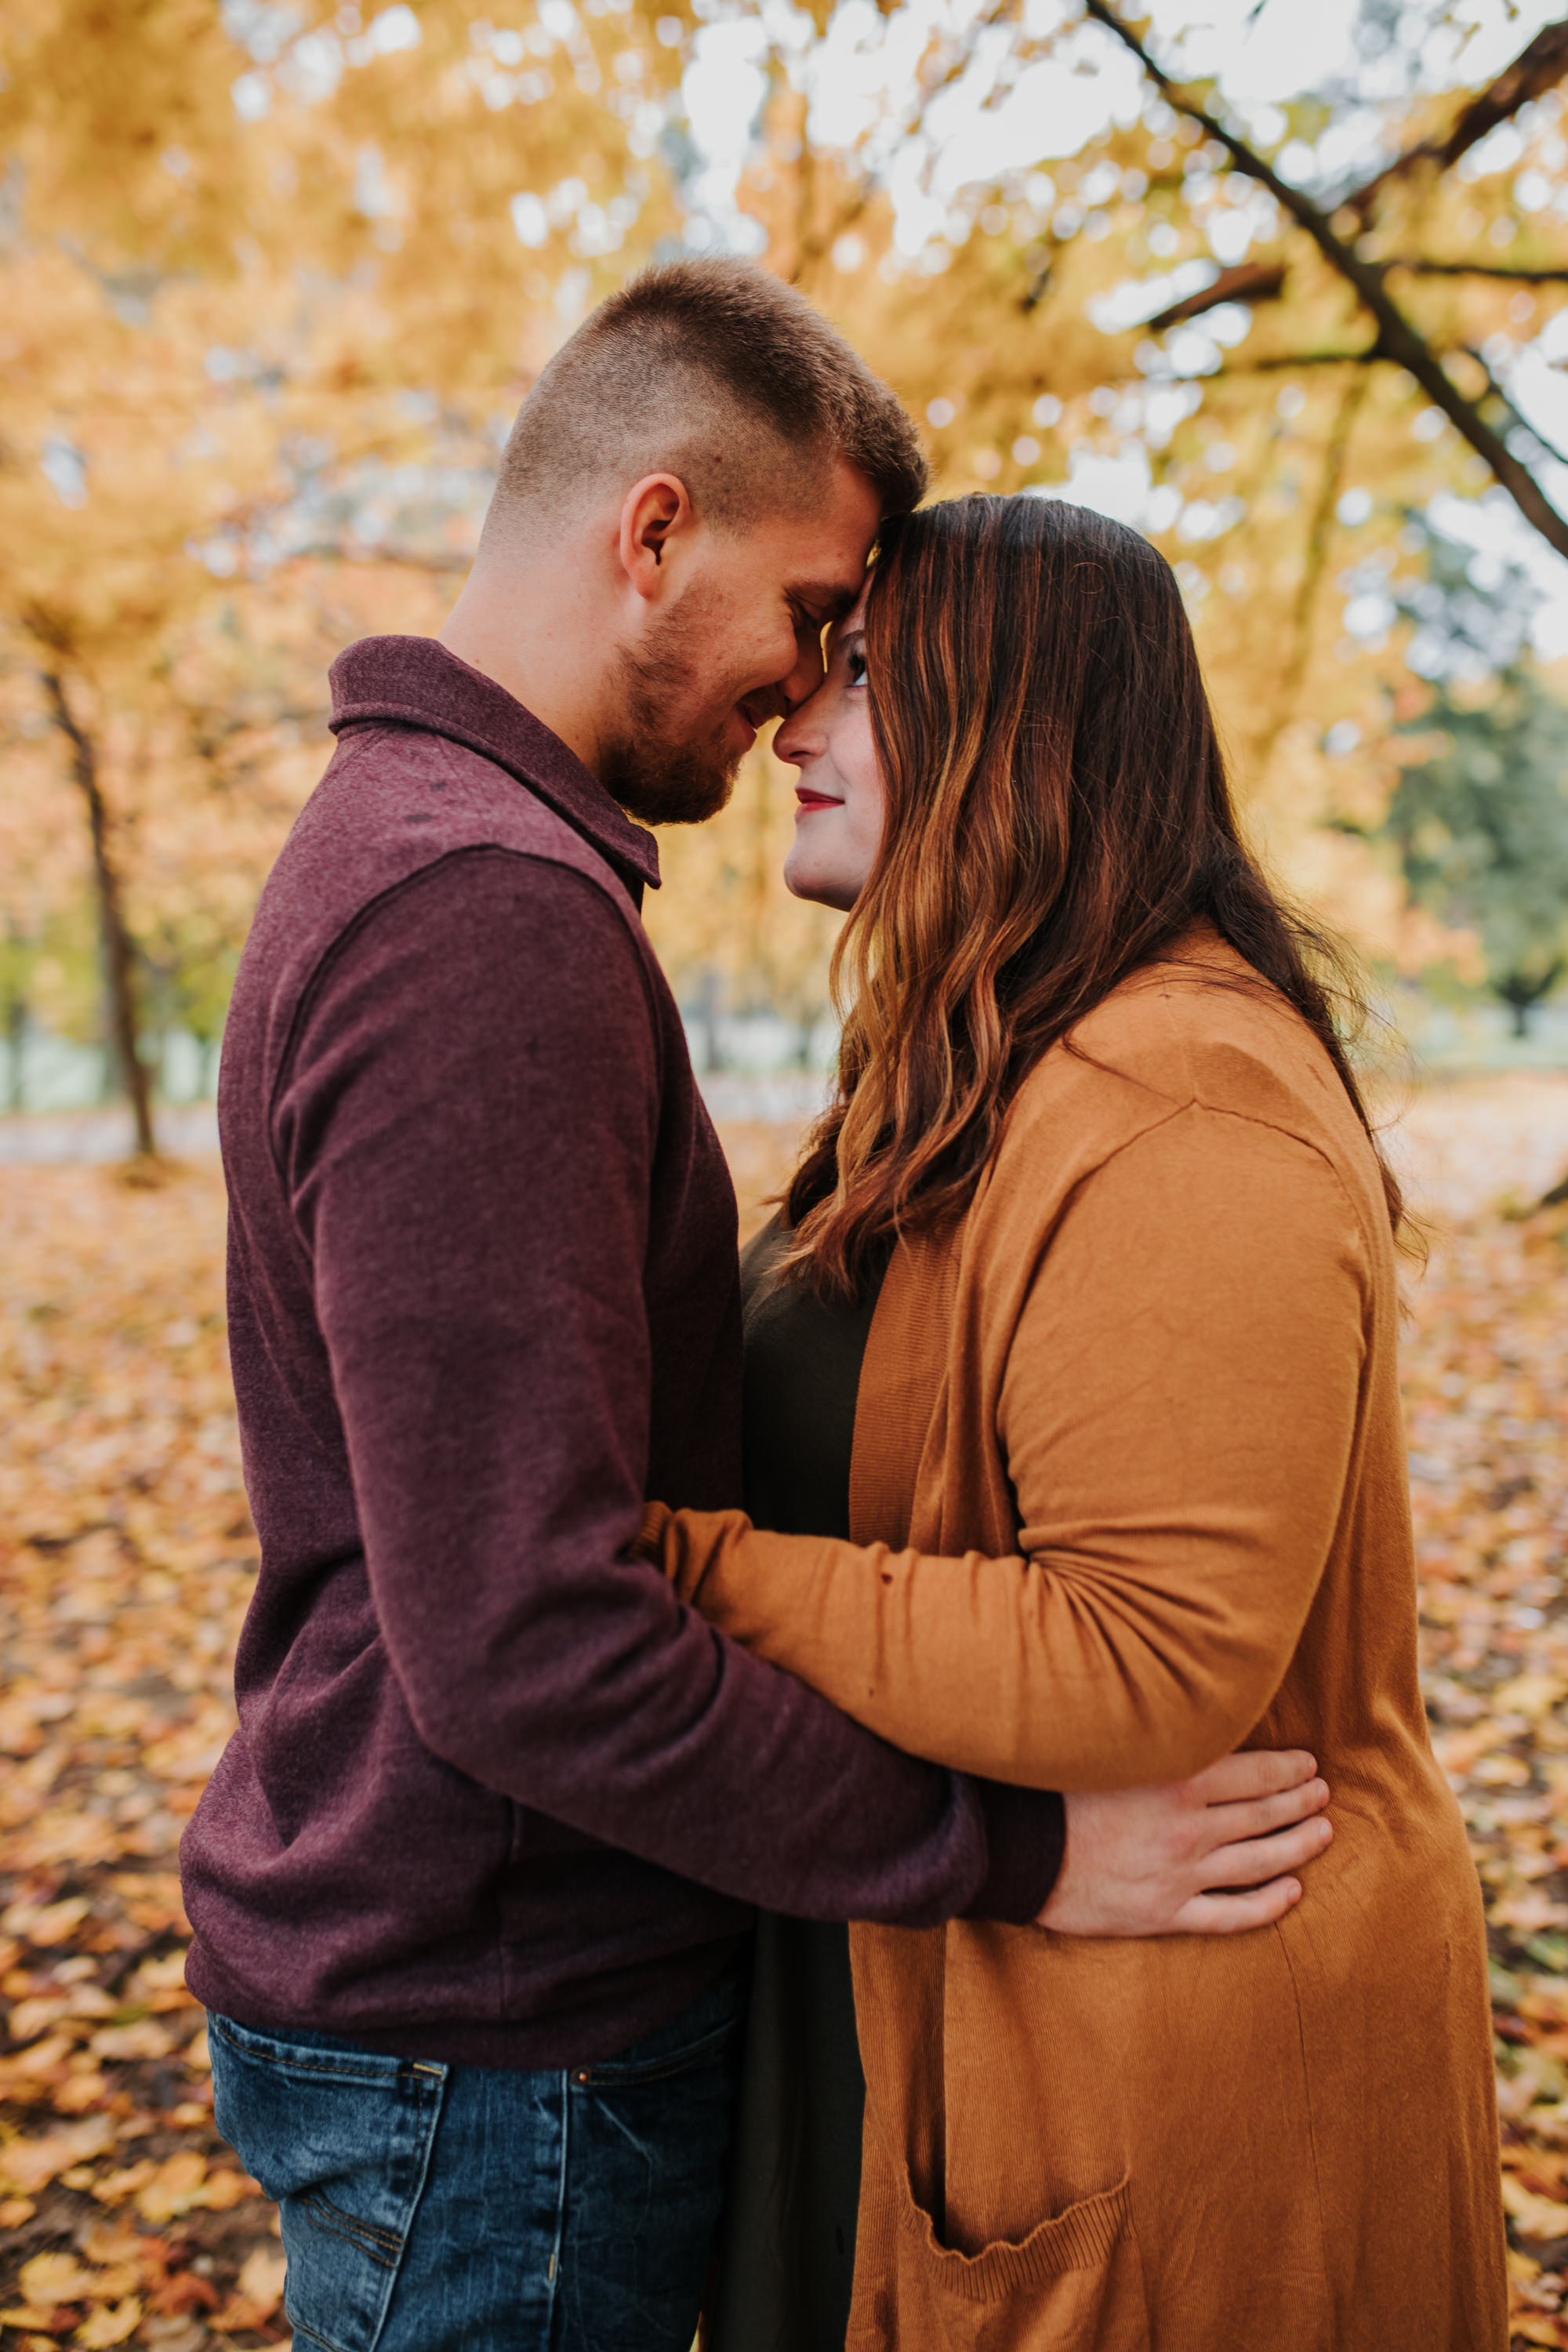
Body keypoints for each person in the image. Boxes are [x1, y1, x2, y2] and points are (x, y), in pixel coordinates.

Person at [182, 263, 1334, 2352]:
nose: (801, 695)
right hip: (500, 2025)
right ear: (653, 537)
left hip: (482, 2001)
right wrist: (1000, 1850)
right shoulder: (483, 920)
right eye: (816, 616)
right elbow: (529, 1634)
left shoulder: (441, 862)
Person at [641, 493, 1508, 2351]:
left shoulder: (1181, 1100)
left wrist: (678, 1575)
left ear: (1017, 719)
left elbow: (1146, 1655)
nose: (799, 719)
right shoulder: (993, 1062)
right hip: (957, 1995)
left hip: (1172, 2058)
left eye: (862, 673)